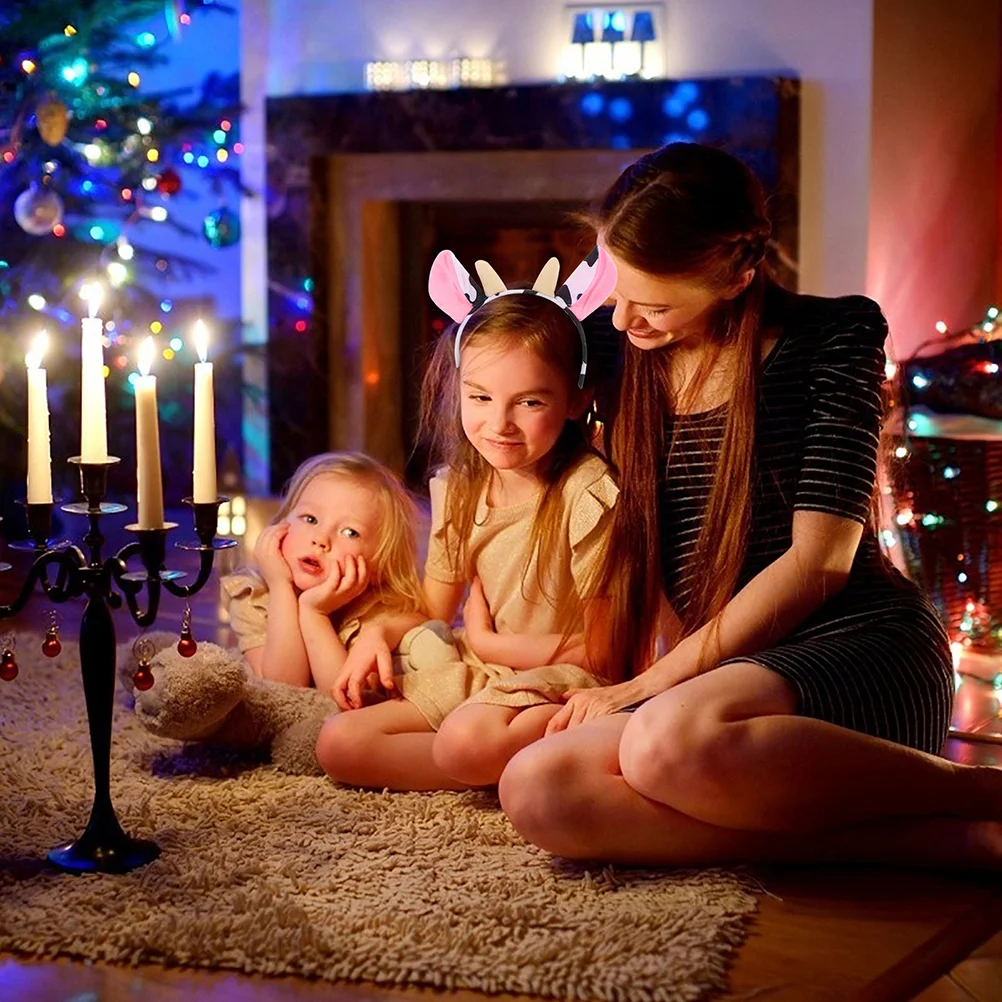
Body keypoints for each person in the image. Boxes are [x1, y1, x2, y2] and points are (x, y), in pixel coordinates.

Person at [498, 142, 1002, 871]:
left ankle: (977, 795)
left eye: (657, 303)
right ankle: (950, 847)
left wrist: (644, 688)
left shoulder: (833, 336)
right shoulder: (617, 352)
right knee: (540, 789)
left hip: (856, 646)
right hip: (722, 673)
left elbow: (817, 566)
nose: (624, 322)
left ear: (737, 274)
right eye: (615, 291)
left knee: (663, 743)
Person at [314, 248, 621, 790]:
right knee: (339, 743)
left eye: (529, 402)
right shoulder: (459, 489)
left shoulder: (586, 493)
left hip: (566, 680)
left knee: (464, 738)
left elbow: (604, 649)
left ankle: (513, 754)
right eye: (479, 397)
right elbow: (435, 608)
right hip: (488, 675)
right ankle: (496, 763)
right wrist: (377, 635)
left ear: (576, 401)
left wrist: (487, 640)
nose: (498, 423)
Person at [224, 451, 426, 693]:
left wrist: (314, 613)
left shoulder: (377, 611)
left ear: (379, 568)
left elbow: (346, 698)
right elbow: (284, 687)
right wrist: (280, 587)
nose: (321, 539)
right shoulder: (253, 598)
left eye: (350, 532)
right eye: (309, 519)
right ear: (281, 523)